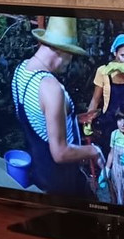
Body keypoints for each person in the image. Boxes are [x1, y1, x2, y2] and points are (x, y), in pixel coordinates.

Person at [10, 16, 103, 198]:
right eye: (71, 53)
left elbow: (40, 120)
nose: (70, 60)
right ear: (61, 51)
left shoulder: (21, 70)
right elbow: (60, 153)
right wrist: (94, 151)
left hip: (39, 173)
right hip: (61, 185)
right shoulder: (51, 88)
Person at [83, 33, 124, 148]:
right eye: (122, 55)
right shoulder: (103, 71)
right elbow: (95, 100)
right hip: (109, 121)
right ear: (115, 53)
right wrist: (88, 121)